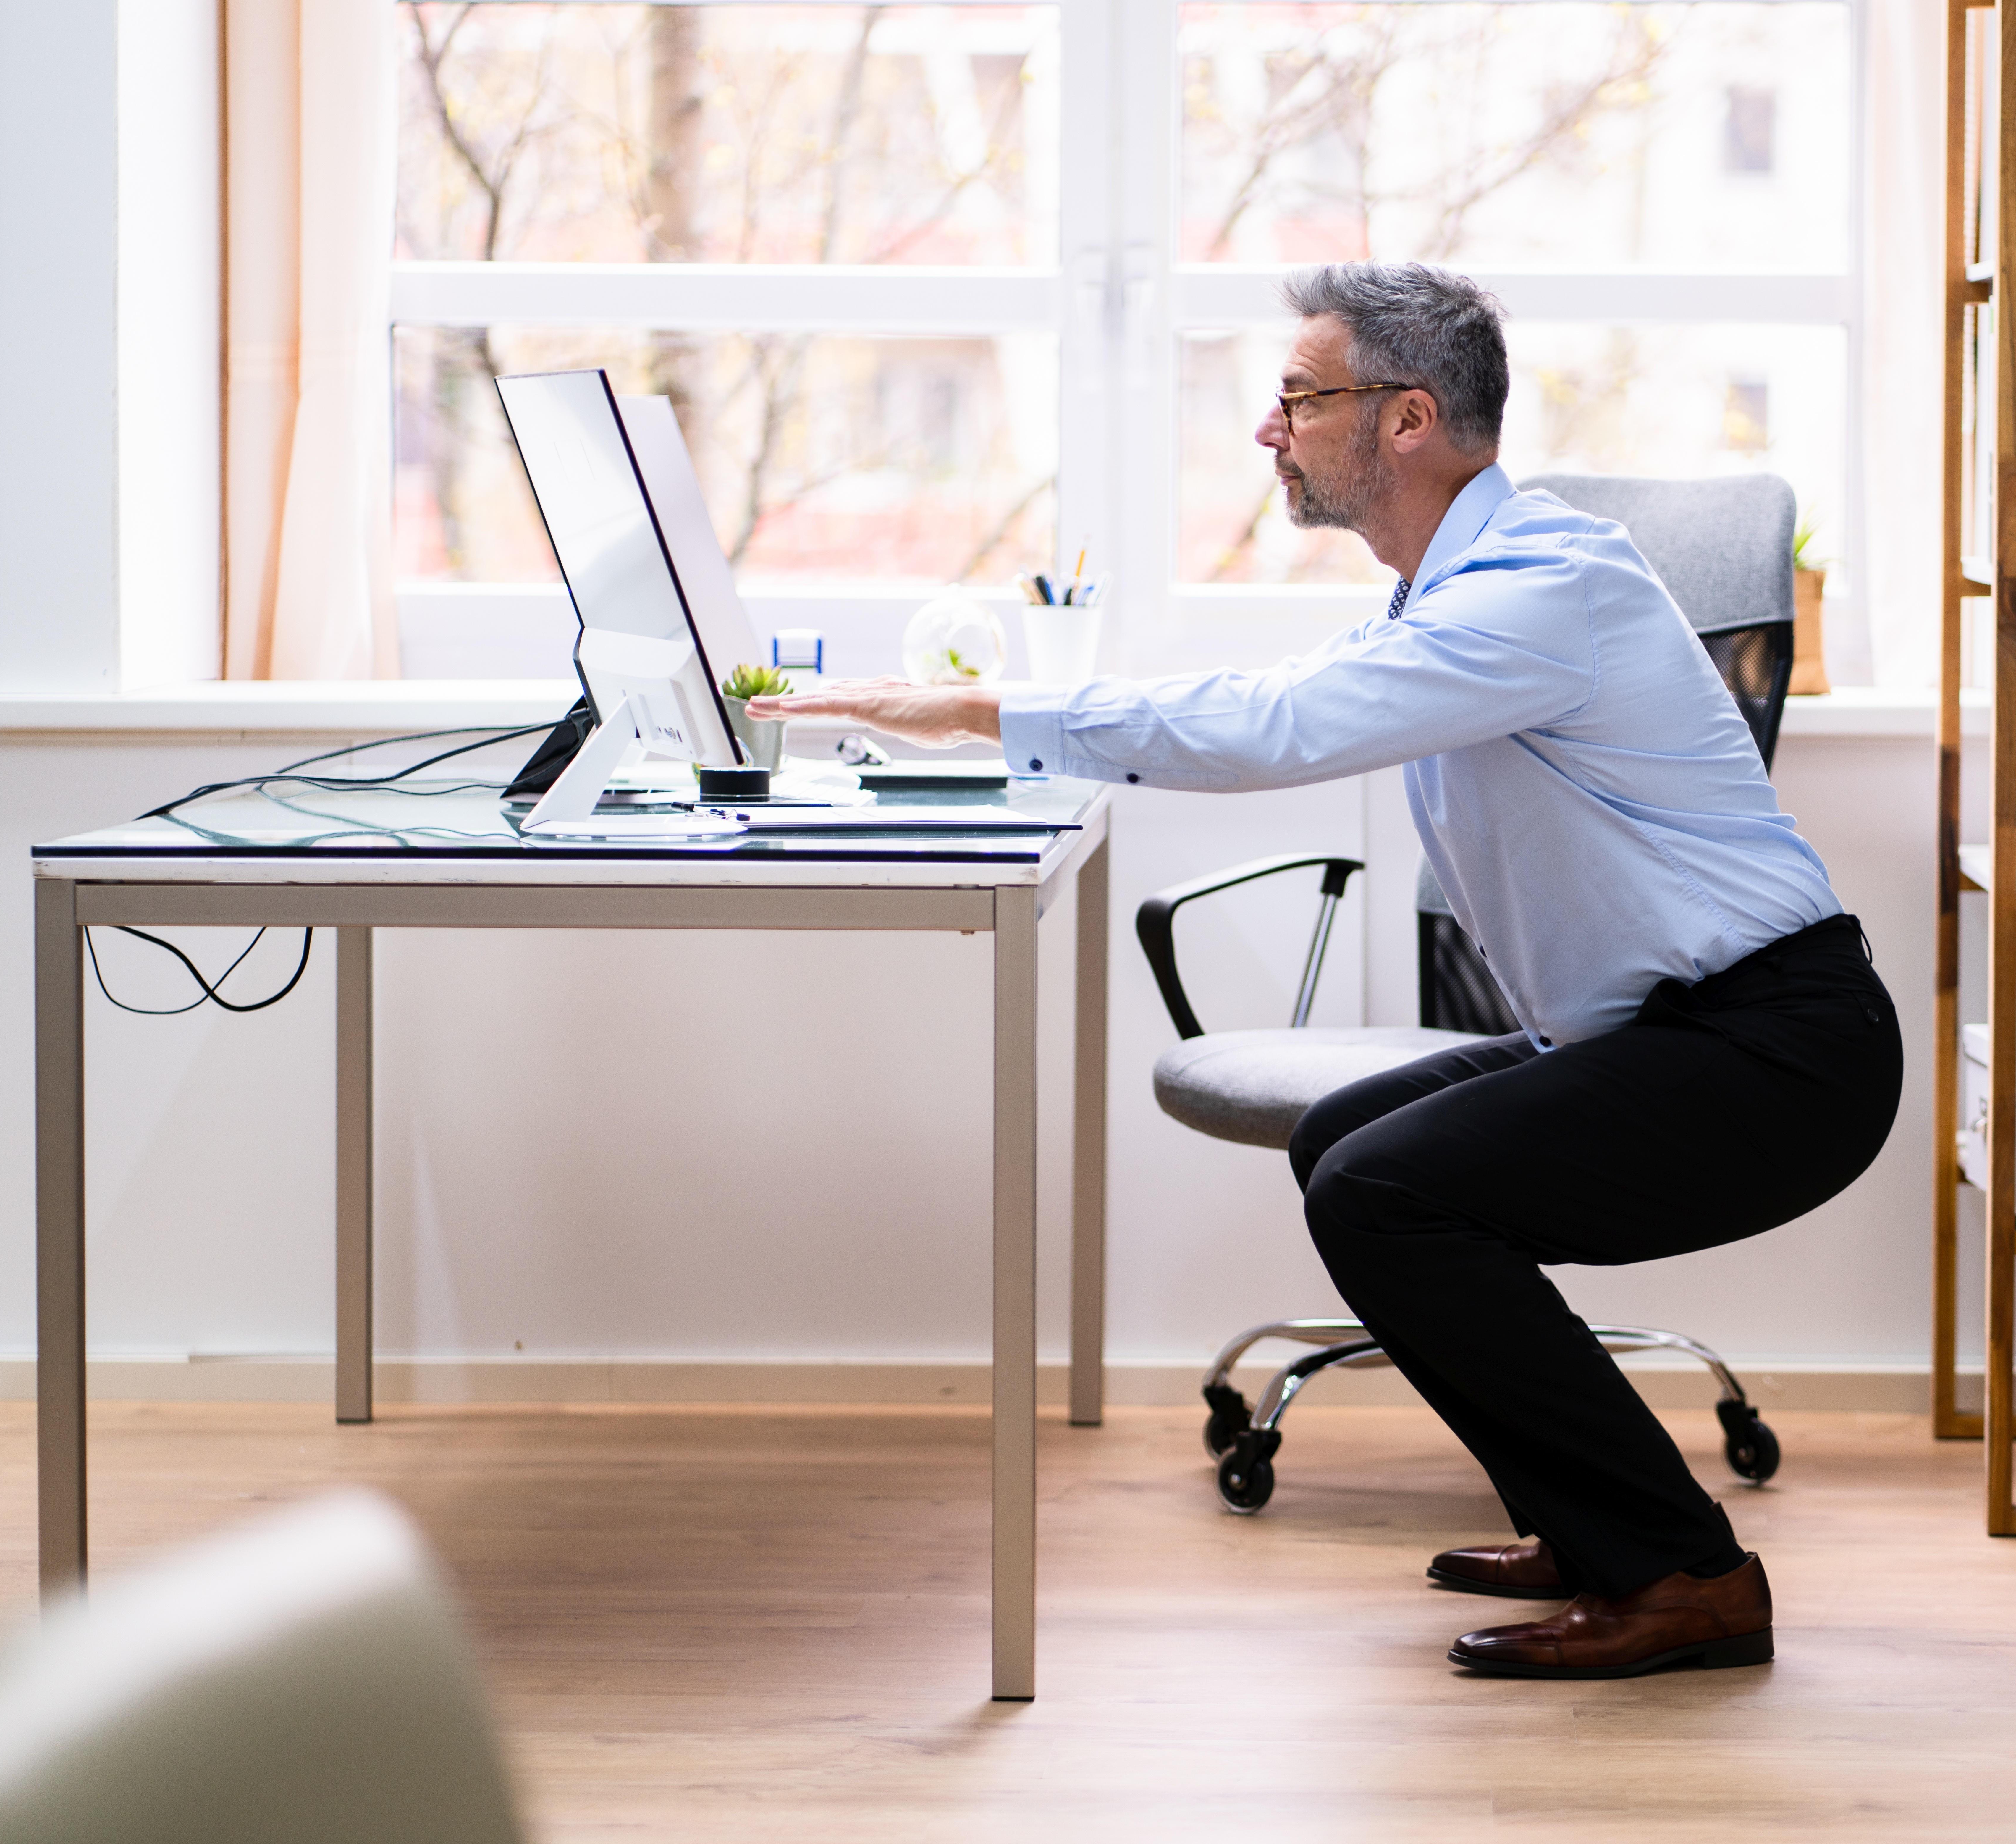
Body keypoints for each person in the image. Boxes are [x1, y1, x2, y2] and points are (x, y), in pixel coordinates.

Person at [749, 261, 1903, 1679]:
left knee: (1387, 1189)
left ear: (1407, 417)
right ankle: (1592, 1519)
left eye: (1301, 396)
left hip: (1778, 1051)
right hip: (1677, 1036)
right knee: (1348, 1139)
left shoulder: (1546, 585)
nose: (1269, 429)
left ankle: (1684, 1572)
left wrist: (984, 707)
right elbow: (1267, 704)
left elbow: (1280, 725)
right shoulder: (1453, 590)